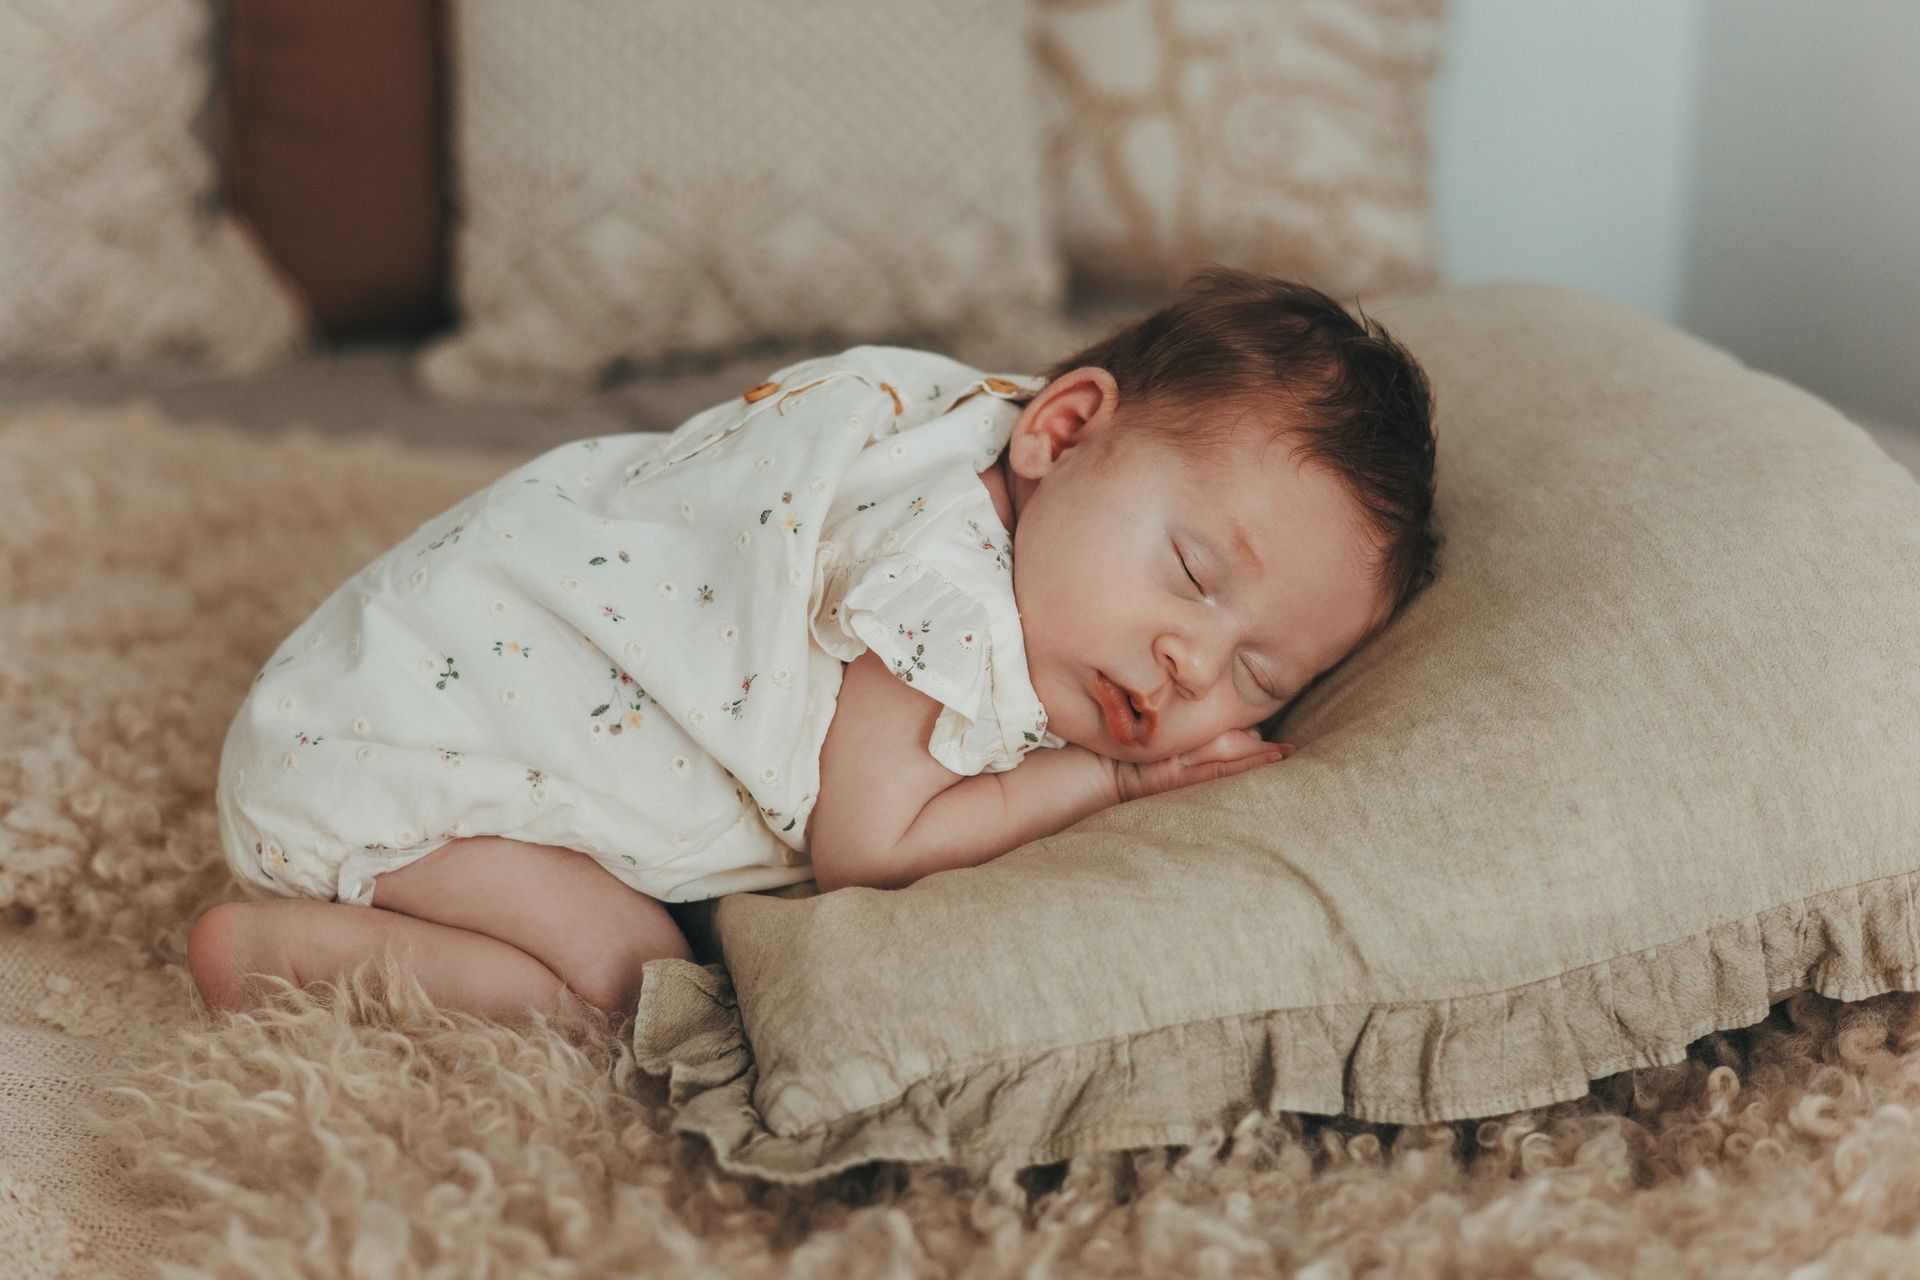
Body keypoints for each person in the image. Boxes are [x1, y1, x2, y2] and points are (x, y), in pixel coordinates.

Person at [186, 265, 1440, 1030]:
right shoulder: (941, 596)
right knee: (628, 983)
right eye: (1193, 574)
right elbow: (870, 845)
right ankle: (274, 955)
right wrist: (1106, 781)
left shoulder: (972, 439)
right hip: (414, 753)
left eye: (1258, 676)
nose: (1188, 666)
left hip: (394, 669)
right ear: (1061, 429)